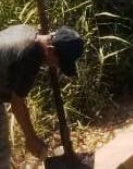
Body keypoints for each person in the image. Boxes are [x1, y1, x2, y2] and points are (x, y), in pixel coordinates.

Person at [0, 25, 84, 164]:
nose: (57, 67)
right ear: (51, 50)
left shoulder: (29, 32)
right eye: (59, 63)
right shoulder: (30, 54)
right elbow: (17, 104)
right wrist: (31, 138)